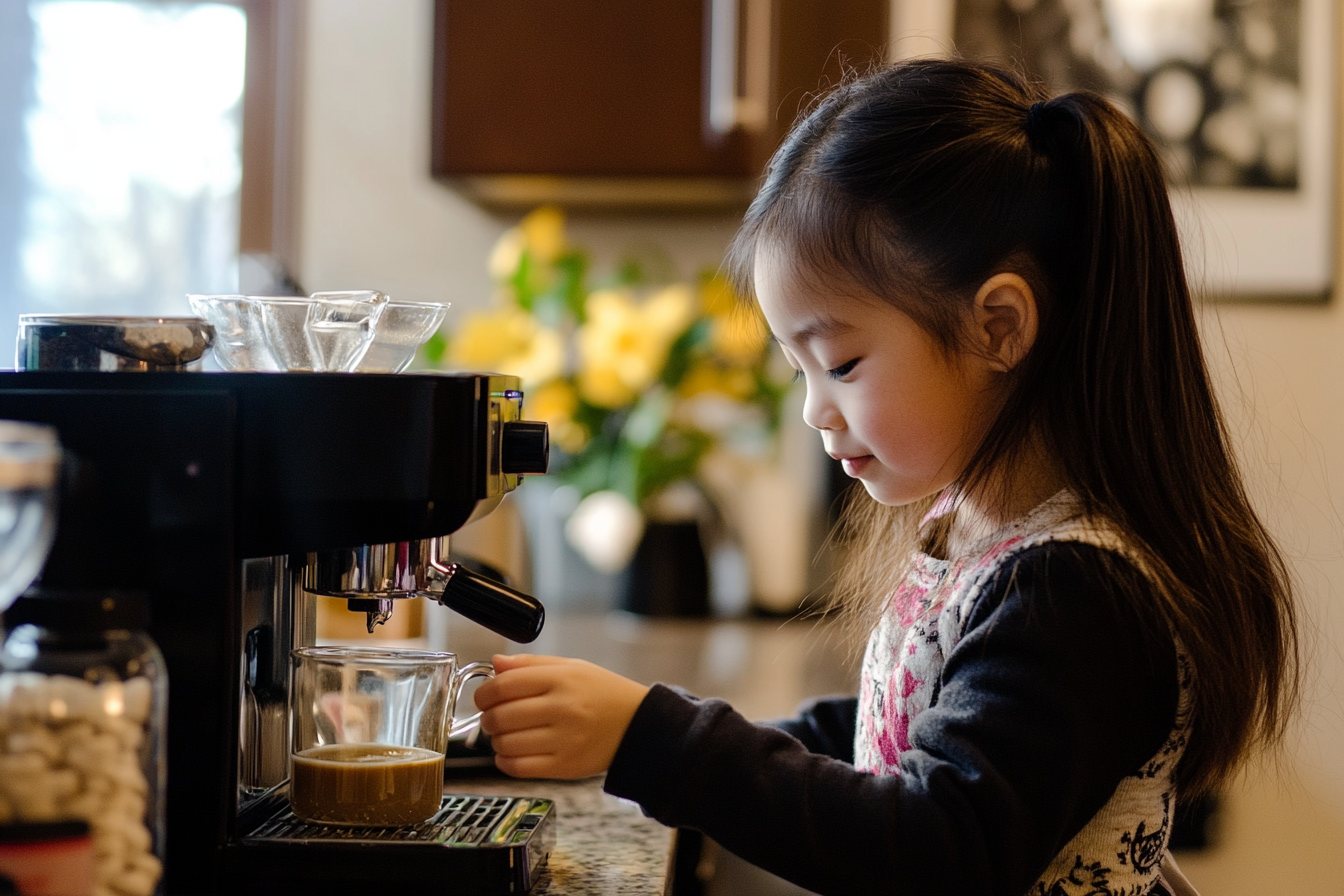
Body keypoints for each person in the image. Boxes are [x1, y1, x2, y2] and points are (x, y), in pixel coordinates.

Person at [472, 58, 1299, 896]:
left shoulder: (1074, 591)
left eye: (841, 363)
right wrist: (659, 726)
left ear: (999, 328)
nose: (814, 411)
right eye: (800, 372)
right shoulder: (974, 532)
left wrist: (656, 741)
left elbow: (935, 848)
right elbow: (896, 727)